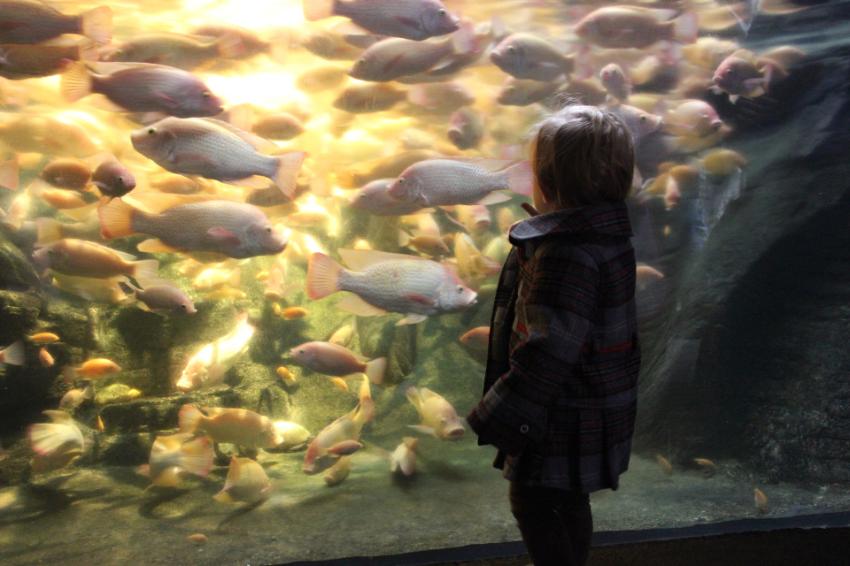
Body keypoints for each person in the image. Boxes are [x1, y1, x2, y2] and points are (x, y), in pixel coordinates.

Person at [466, 104, 641, 566]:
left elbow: (548, 348)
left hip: (559, 415)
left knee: (533, 503)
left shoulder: (565, 254)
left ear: (549, 180)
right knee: (570, 499)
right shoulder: (610, 237)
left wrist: (500, 411)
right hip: (597, 402)